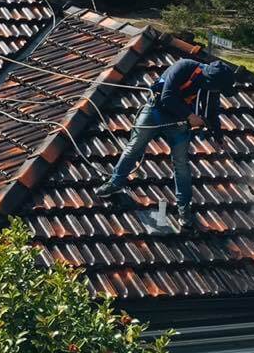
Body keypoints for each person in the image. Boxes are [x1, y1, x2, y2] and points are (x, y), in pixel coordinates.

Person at [95, 59, 237, 230]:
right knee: (134, 148)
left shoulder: (212, 88)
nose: (217, 92)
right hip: (156, 112)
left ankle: (184, 208)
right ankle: (115, 183)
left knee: (181, 163)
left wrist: (219, 136)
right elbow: (167, 96)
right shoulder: (184, 67)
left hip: (178, 122)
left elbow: (212, 112)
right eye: (218, 89)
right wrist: (190, 116)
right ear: (210, 81)